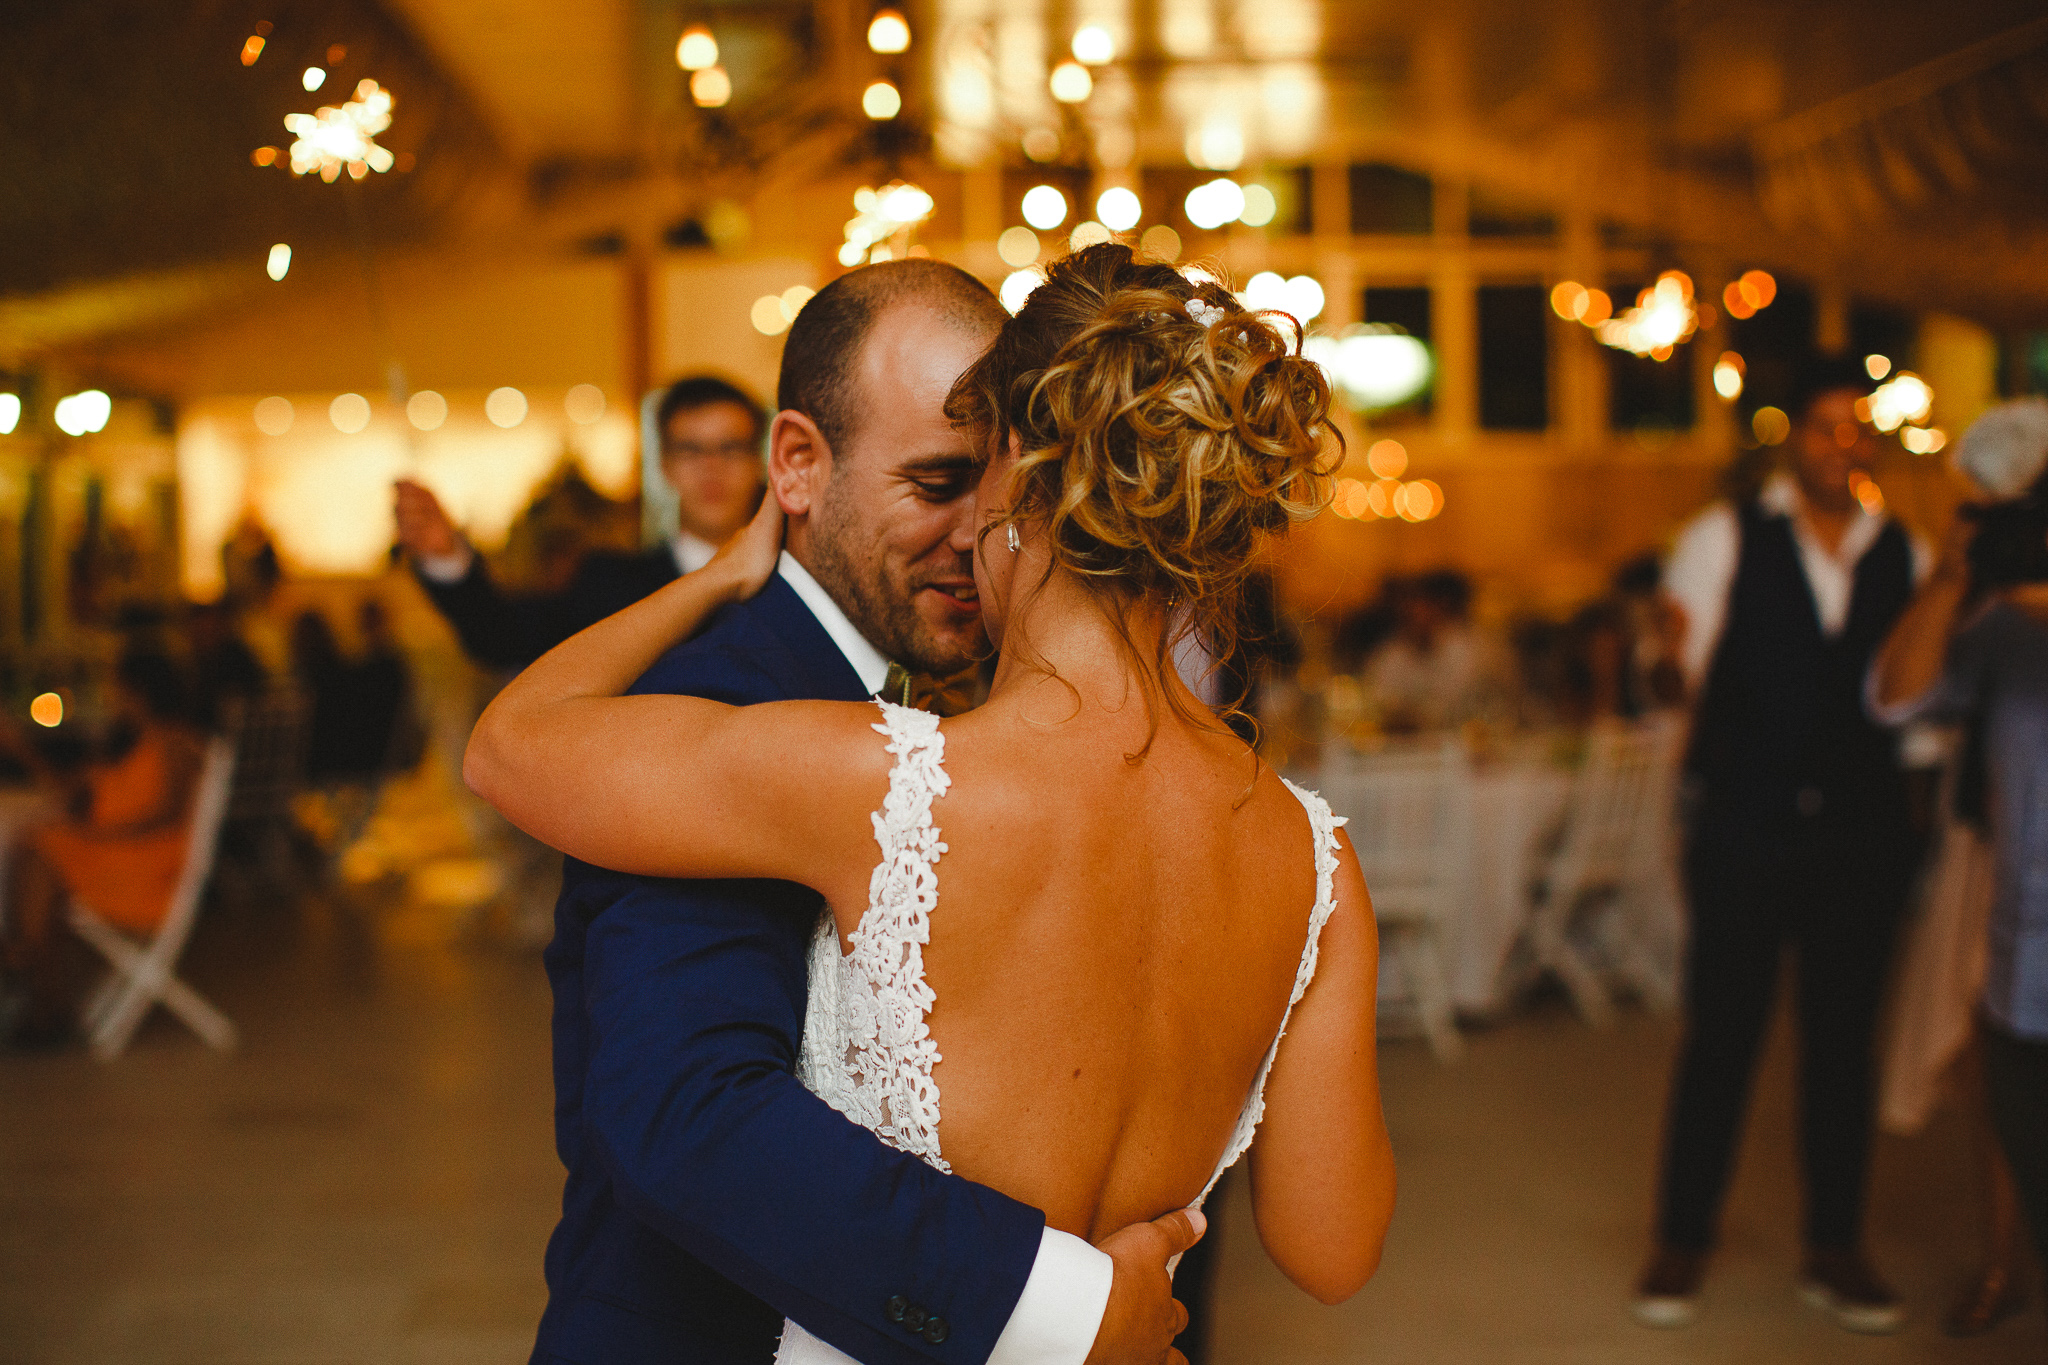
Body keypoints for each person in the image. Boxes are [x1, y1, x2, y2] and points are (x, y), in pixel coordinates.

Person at [466, 245, 1396, 1365]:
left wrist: (713, 569)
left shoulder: (876, 778)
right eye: (932, 480)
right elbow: (1331, 1249)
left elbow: (509, 747)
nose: (962, 530)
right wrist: (1091, 1297)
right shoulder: (1313, 855)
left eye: (974, 477)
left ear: (1022, 482)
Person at [1634, 355, 1929, 1333]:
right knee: (1720, 1037)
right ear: (1790, 438)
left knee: (1842, 1047)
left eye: (1854, 430)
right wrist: (1665, 661)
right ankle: (1679, 1241)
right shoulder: (1720, 539)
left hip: (1860, 836)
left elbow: (1917, 716)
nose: (1838, 445)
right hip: (1744, 829)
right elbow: (1677, 689)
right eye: (1821, 428)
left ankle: (1834, 1248)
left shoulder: (1907, 554)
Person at [1868, 397, 2048, 1337]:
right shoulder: (2004, 633)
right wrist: (1948, 576)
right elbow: (1895, 698)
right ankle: (2006, 1262)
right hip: (2022, 972)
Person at [393, 376, 768, 671]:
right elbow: (503, 637)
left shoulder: (799, 577)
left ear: (759, 461)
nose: (712, 469)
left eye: (731, 448)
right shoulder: (611, 586)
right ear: (665, 466)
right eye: (691, 450)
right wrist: (445, 557)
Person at [1, 653, 206, 1048]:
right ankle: (38, 990)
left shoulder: (175, 745)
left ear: (139, 692)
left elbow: (166, 815)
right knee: (37, 845)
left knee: (41, 851)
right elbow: (72, 792)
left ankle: (35, 987)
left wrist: (98, 837)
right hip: (120, 857)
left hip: (141, 871)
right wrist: (23, 752)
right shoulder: (134, 745)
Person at [1360, 570, 1514, 733]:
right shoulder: (1390, 655)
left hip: (1453, 738)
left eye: (1425, 610)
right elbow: (1378, 701)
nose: (1420, 618)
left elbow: (1462, 701)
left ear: (1439, 611)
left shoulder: (1464, 649)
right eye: (1413, 611)